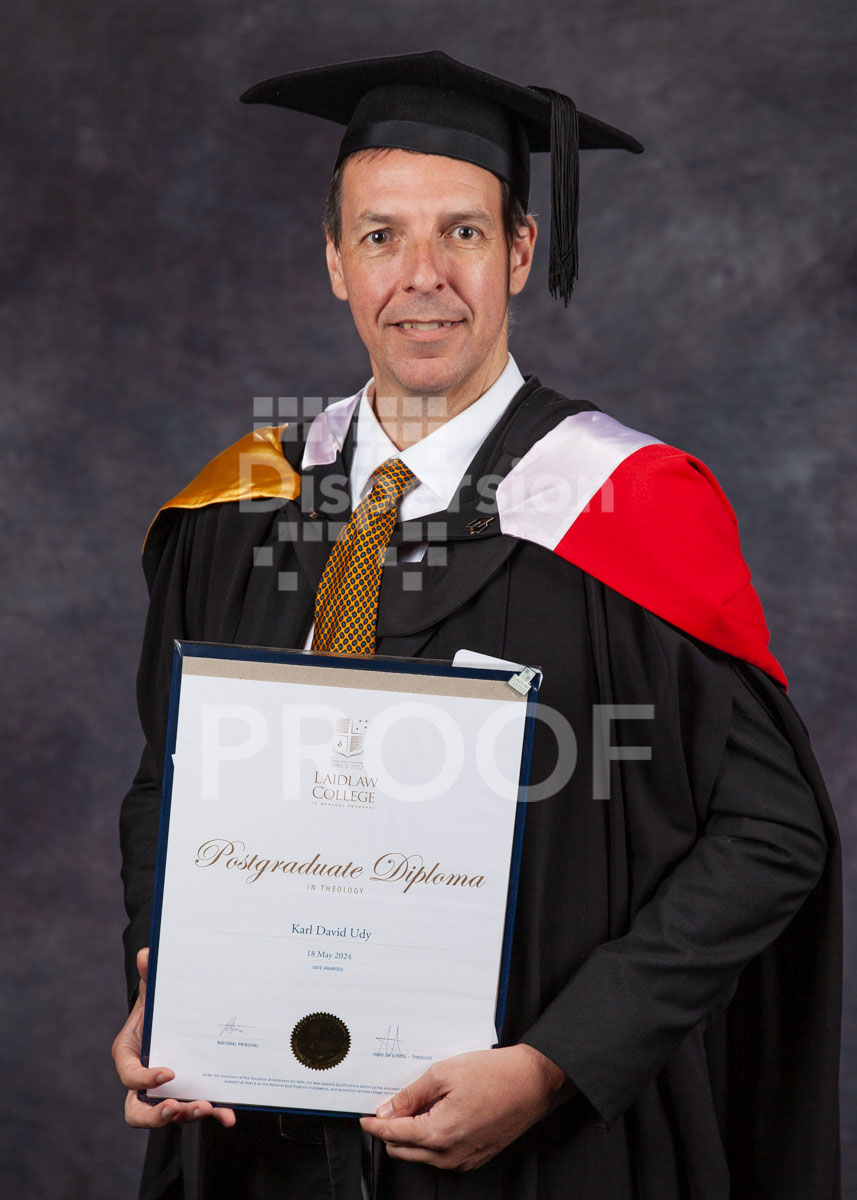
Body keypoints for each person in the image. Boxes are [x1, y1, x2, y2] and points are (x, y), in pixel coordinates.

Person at [113, 51, 841, 1200]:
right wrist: (166, 985)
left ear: (518, 252)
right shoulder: (238, 512)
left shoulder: (627, 510)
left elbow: (769, 834)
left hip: (538, 1151)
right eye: (380, 236)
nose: (422, 278)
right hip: (262, 1142)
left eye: (460, 232)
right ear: (333, 260)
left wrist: (556, 1066)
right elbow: (169, 785)